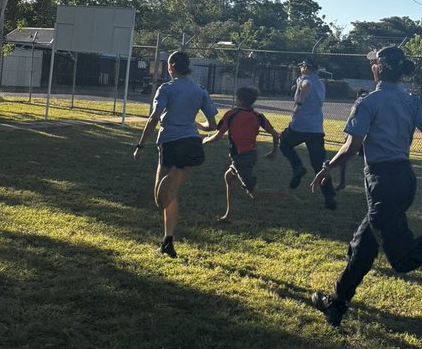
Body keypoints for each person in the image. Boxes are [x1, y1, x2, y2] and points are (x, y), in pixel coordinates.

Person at [308, 46, 422, 327]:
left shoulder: (368, 102)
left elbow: (352, 146)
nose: (372, 68)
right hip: (405, 180)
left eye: (373, 65)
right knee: (362, 245)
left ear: (380, 68)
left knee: (403, 261)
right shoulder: (412, 101)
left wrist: (326, 167)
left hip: (382, 183)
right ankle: (337, 303)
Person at [133, 51, 218, 257]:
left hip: (172, 143)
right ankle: (167, 241)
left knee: (163, 194)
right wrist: (196, 124)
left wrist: (140, 145)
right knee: (162, 197)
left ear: (171, 66)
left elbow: (154, 117)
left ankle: (168, 241)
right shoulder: (200, 90)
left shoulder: (166, 88)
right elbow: (212, 124)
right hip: (190, 144)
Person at [202, 86, 283, 221]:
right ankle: (228, 215)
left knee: (254, 194)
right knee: (228, 177)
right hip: (251, 155)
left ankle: (283, 195)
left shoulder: (231, 114)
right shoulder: (258, 116)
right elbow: (275, 135)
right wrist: (273, 151)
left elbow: (217, 136)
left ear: (239, 100)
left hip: (241, 159)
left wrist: (205, 140)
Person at [279, 57, 337, 210]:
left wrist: (298, 104)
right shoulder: (321, 83)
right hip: (316, 128)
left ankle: (298, 167)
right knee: (319, 164)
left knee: (284, 143)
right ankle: (329, 196)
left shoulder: (306, 80)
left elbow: (306, 85)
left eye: (302, 65)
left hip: (300, 125)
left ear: (307, 67)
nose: (300, 68)